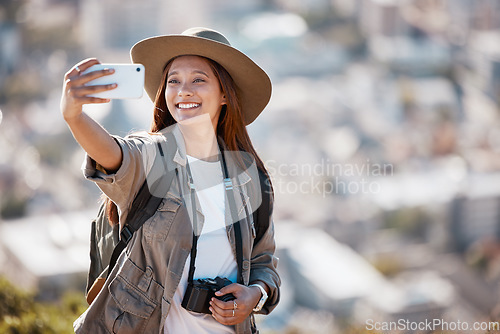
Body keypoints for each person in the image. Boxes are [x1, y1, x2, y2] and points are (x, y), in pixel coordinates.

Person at [61, 27, 280, 334]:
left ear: (225, 95)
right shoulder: (153, 157)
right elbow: (114, 155)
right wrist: (74, 116)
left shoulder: (249, 177)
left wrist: (254, 295)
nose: (183, 90)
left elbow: (264, 263)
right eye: (174, 80)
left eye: (199, 80)